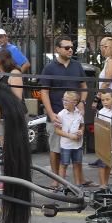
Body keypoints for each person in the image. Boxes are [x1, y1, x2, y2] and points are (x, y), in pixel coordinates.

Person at [40, 37, 87, 176]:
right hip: (56, 114)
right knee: (55, 149)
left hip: (75, 115)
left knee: (77, 148)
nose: (70, 50)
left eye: (72, 47)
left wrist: (82, 103)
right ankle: (56, 179)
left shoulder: (77, 66)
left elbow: (84, 87)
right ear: (57, 49)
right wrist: (50, 113)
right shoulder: (49, 68)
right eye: (67, 47)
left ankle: (79, 181)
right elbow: (44, 91)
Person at [55, 91, 86, 187]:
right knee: (64, 164)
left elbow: (82, 125)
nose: (64, 101)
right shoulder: (61, 114)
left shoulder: (79, 113)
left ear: (75, 102)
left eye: (67, 100)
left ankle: (78, 186)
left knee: (77, 164)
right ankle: (62, 186)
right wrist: (70, 136)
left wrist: (81, 131)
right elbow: (57, 131)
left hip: (77, 145)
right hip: (66, 145)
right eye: (63, 99)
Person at [95, 91, 112, 189]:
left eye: (107, 99)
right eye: (103, 100)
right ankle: (102, 184)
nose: (105, 102)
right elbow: (98, 128)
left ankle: (106, 183)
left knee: (109, 164)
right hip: (104, 142)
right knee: (102, 163)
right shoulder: (101, 113)